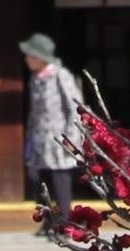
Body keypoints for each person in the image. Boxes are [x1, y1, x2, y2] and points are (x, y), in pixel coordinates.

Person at [22, 30, 85, 237]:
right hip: (40, 139)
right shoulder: (35, 79)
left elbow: (75, 107)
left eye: (30, 55)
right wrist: (29, 139)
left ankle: (64, 224)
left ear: (40, 57)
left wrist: (71, 138)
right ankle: (48, 222)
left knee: (60, 181)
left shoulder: (60, 75)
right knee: (40, 181)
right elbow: (34, 112)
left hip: (59, 139)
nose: (26, 60)